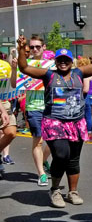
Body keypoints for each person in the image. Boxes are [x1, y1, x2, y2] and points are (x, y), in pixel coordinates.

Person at [17, 32, 92, 207]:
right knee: (61, 155)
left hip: (76, 123)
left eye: (66, 60)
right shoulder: (49, 75)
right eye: (60, 60)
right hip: (55, 122)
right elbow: (24, 68)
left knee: (73, 159)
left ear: (71, 62)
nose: (63, 62)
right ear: (55, 61)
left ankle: (72, 191)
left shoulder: (79, 73)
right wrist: (20, 49)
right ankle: (55, 189)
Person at [10, 35, 52, 186]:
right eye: (32, 47)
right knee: (38, 141)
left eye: (37, 47)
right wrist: (14, 69)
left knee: (55, 141)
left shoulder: (51, 65)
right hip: (33, 107)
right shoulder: (25, 64)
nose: (34, 50)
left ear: (43, 47)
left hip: (51, 107)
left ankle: (44, 160)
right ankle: (41, 173)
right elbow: (14, 84)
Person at [0, 59, 17, 178]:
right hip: (2, 106)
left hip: (4, 102)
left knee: (11, 133)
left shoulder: (4, 65)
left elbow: (13, 85)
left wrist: (15, 69)